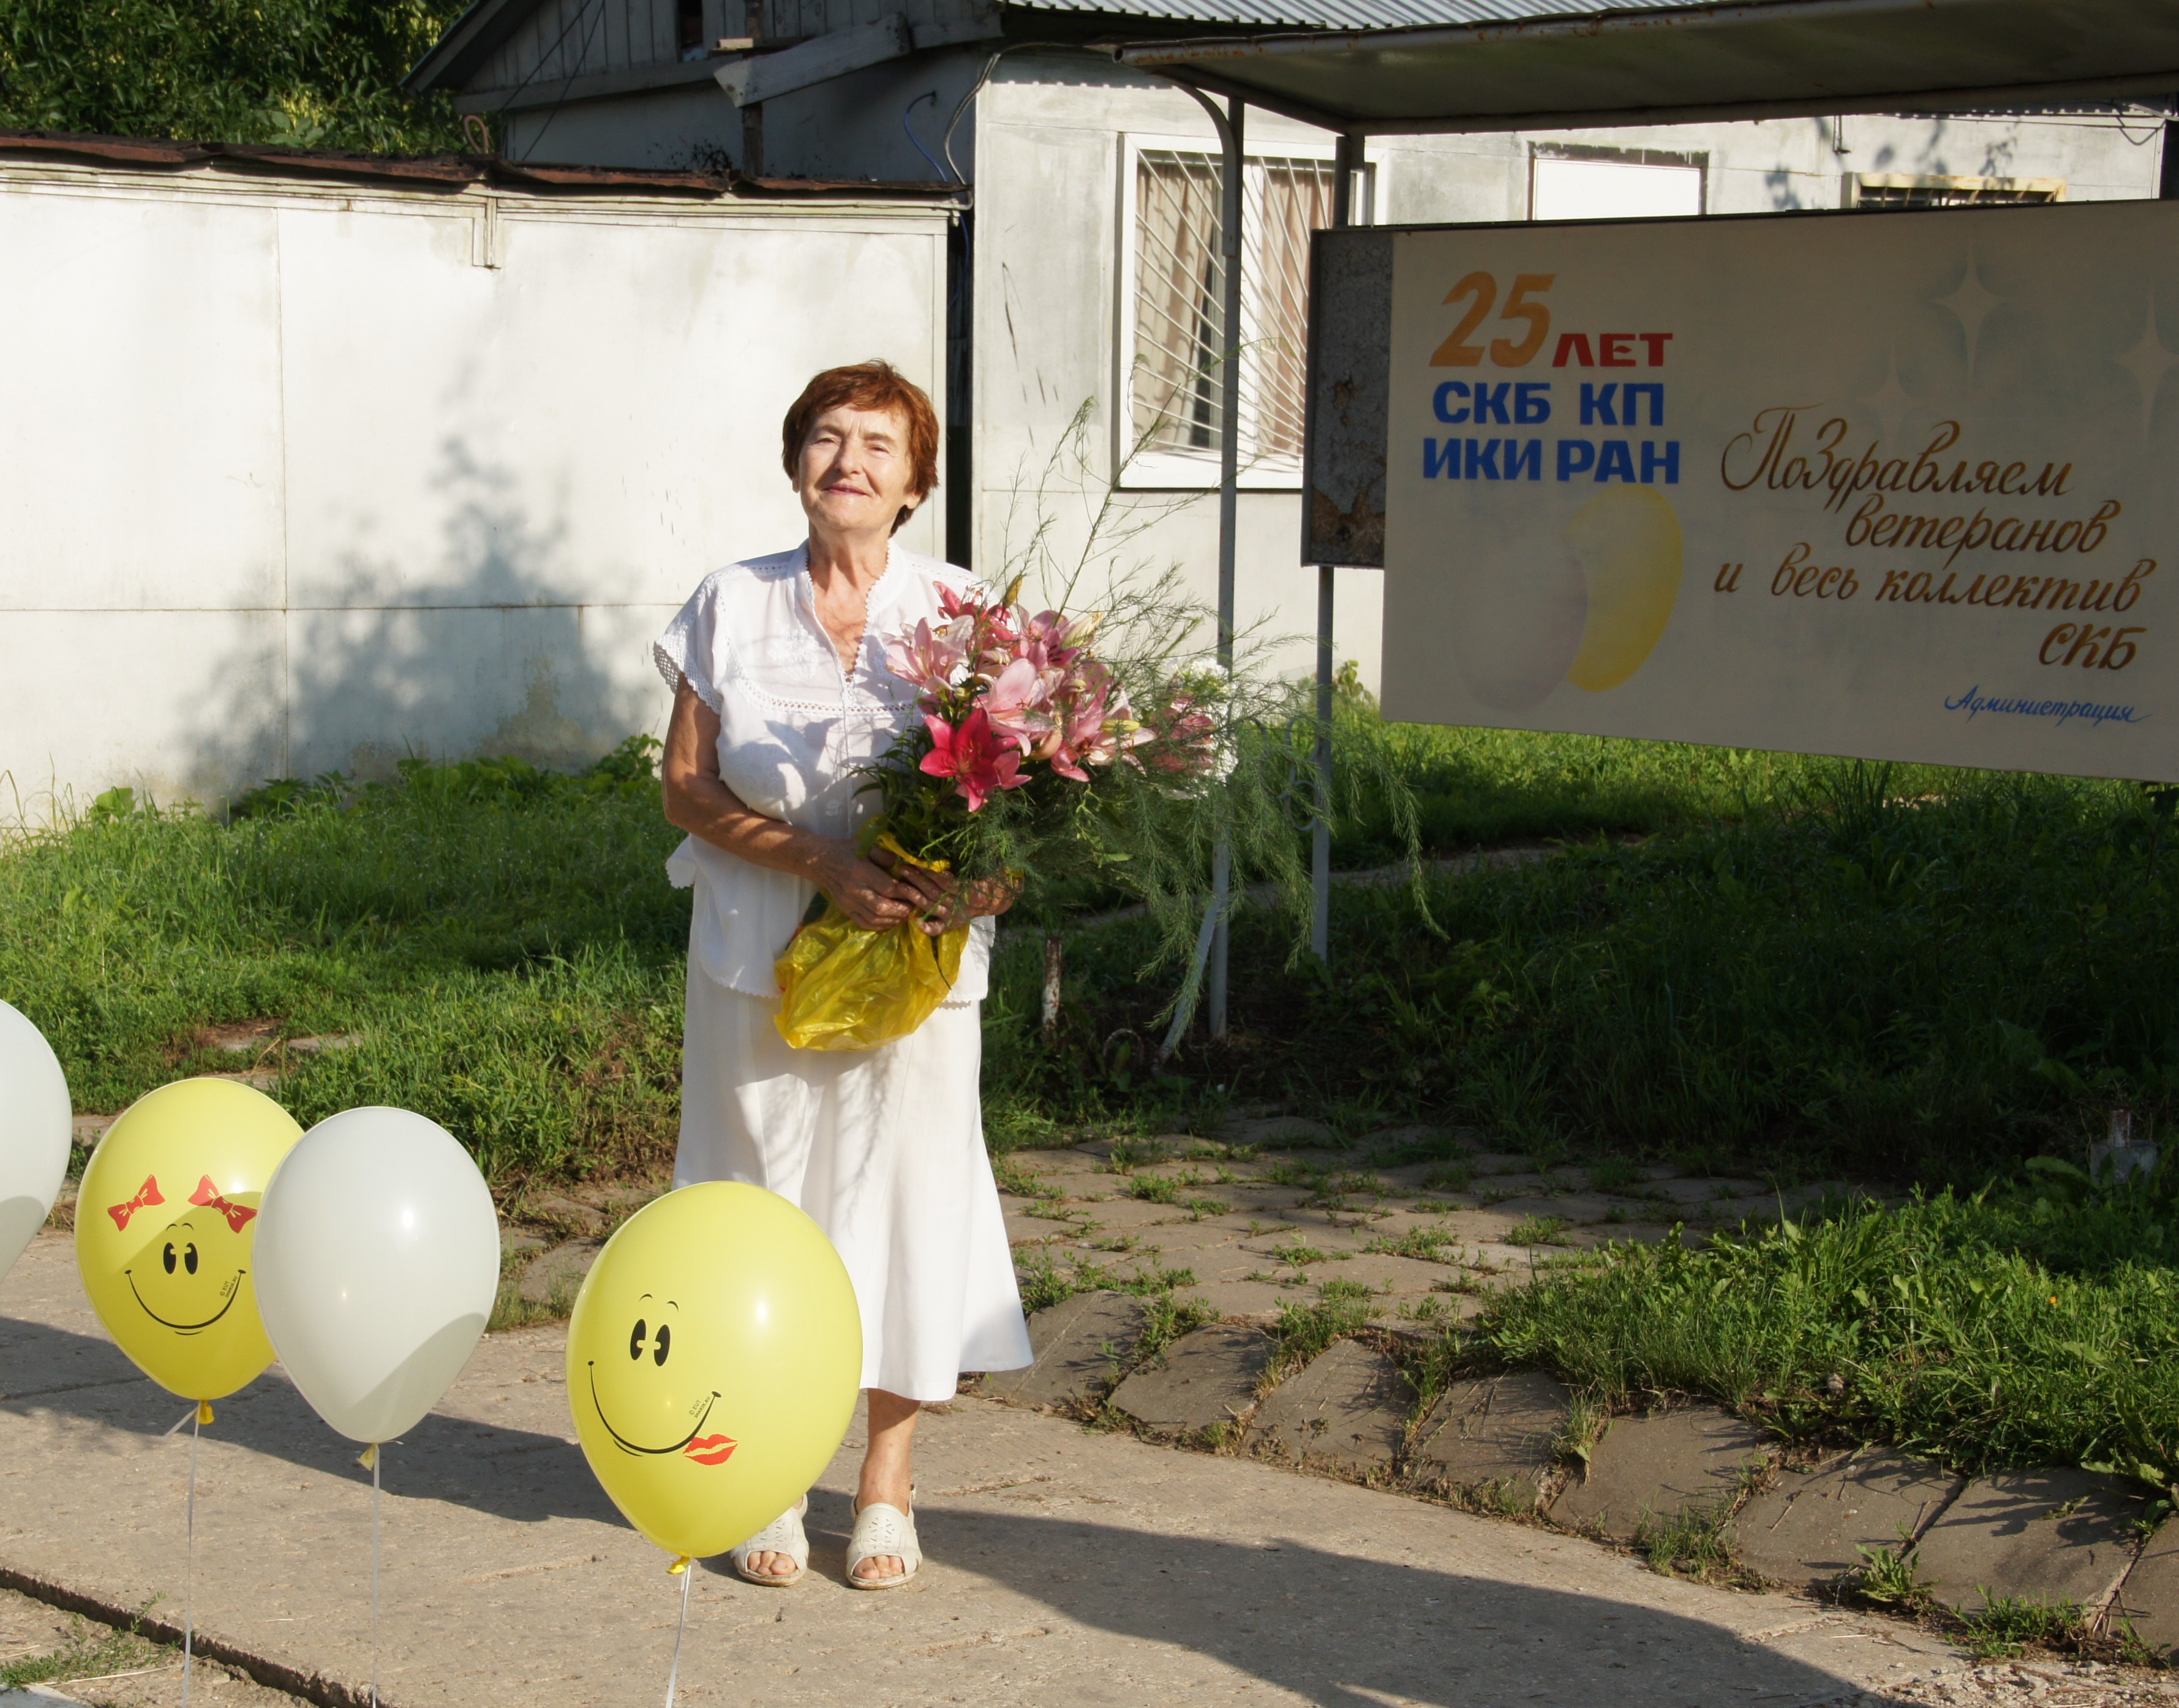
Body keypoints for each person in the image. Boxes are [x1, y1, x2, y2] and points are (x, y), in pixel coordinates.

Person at [652, 361, 1032, 1590]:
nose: (848, 462)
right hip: (756, 951)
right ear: (794, 462)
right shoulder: (731, 602)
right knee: (758, 1203)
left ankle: (885, 1484)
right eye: (826, 437)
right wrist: (821, 860)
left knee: (907, 1199)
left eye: (877, 444)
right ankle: (763, 1462)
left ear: (916, 482)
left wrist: (977, 889)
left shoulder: (966, 613)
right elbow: (685, 789)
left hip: (915, 967)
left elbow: (1024, 815)